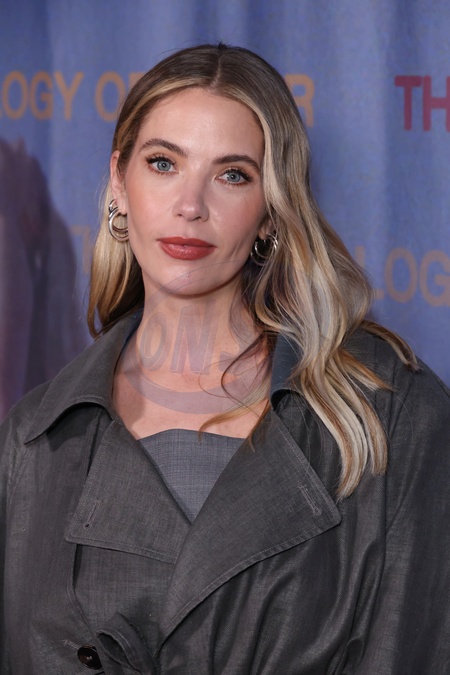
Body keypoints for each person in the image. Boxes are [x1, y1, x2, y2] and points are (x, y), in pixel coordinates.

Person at [1, 43, 449, 675]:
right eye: (163, 163)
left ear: (271, 211)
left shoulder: (391, 416)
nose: (191, 205)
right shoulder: (33, 441)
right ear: (119, 183)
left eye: (232, 175)